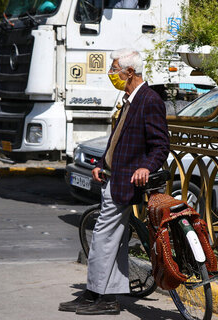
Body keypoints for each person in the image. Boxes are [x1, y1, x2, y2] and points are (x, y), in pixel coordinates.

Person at [59, 48, 169, 315]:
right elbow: (119, 140)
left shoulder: (149, 100)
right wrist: (103, 167)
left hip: (127, 183)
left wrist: (146, 167)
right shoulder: (130, 98)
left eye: (115, 68)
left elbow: (160, 145)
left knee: (102, 239)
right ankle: (107, 297)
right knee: (115, 242)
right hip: (113, 178)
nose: (112, 73)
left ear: (130, 72)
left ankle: (95, 295)